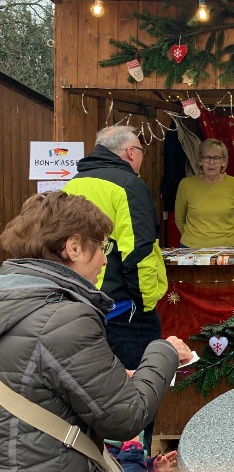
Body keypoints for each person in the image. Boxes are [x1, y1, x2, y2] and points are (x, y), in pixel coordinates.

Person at [0, 191, 192, 471]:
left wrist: (114, 378)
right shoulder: (66, 318)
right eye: (103, 247)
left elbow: (33, 378)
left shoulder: (16, 298)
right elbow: (126, 418)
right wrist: (163, 351)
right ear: (74, 247)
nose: (104, 260)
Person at [64, 125, 168, 451]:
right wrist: (145, 304)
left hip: (83, 302)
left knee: (94, 393)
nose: (139, 159)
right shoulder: (129, 185)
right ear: (129, 153)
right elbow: (138, 252)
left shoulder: (73, 184)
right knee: (137, 391)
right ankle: (135, 458)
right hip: (126, 308)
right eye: (139, 152)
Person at [175, 138, 234, 247]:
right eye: (206, 158)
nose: (211, 162)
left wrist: (226, 241)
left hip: (227, 248)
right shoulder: (185, 184)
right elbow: (179, 219)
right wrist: (195, 240)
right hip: (191, 248)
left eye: (216, 158)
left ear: (224, 161)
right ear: (199, 161)